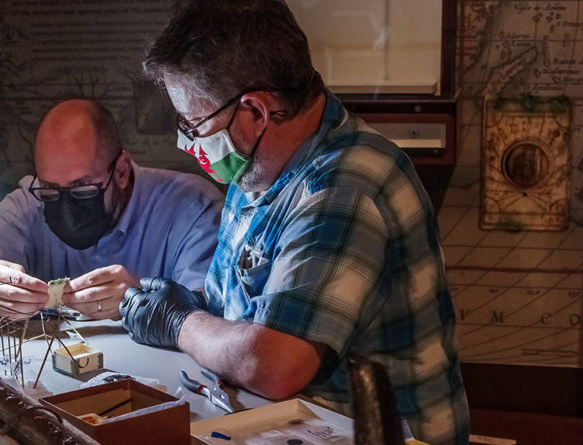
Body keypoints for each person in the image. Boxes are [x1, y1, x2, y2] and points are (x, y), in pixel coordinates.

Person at [118, 2, 468, 444]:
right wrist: (195, 305)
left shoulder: (344, 184)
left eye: (193, 122)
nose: (187, 141)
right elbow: (245, 308)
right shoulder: (261, 167)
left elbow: (276, 365)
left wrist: (179, 322)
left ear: (256, 112)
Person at [0, 99, 224, 320]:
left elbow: (213, 314)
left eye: (83, 190)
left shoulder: (192, 207)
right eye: (51, 190)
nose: (65, 207)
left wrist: (142, 297)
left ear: (122, 171)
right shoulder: (30, 200)